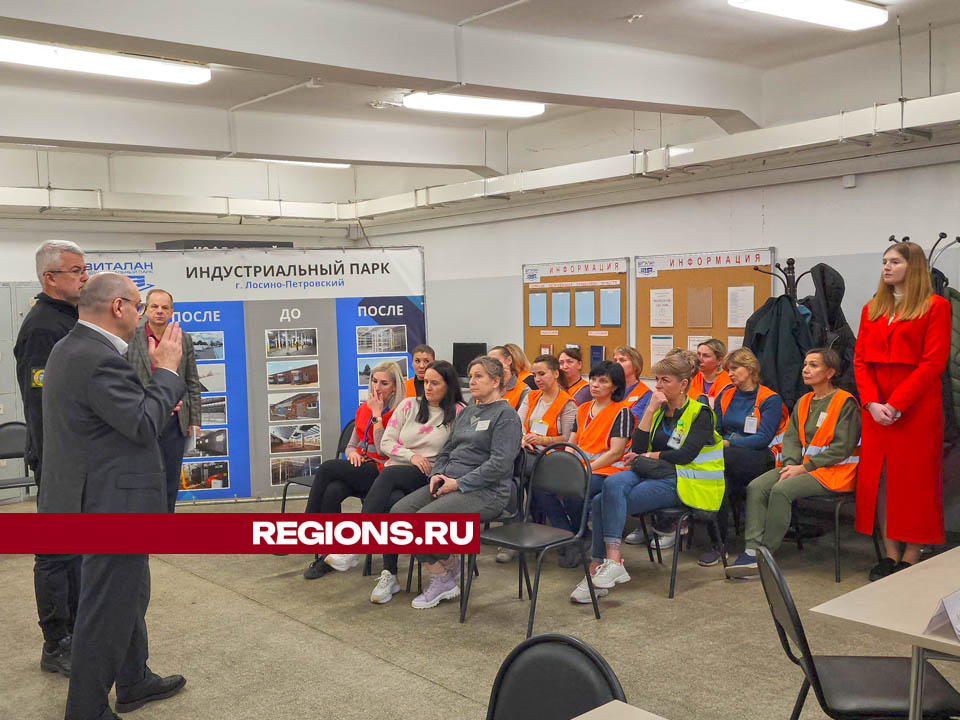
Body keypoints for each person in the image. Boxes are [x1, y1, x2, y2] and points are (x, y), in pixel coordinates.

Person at [39, 272, 187, 720]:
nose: (144, 316)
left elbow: (113, 417)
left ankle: (134, 678)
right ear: (119, 308)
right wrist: (165, 375)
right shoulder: (96, 356)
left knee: (129, 594)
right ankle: (85, 709)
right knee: (106, 609)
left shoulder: (74, 347)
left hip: (94, 495)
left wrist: (155, 393)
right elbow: (143, 423)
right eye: (140, 307)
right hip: (110, 503)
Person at [571, 350, 724, 603]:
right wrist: (650, 410)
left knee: (602, 502)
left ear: (683, 384)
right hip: (650, 472)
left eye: (665, 380)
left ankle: (600, 567)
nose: (658, 386)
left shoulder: (700, 412)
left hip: (685, 480)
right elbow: (639, 447)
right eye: (657, 380)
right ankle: (607, 563)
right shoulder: (658, 410)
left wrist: (652, 456)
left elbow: (682, 455)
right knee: (607, 488)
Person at [324, 361, 465, 603]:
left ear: (448, 385)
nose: (427, 388)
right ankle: (390, 575)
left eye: (434, 383)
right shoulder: (410, 405)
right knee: (392, 501)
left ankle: (356, 544)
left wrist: (422, 461)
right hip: (402, 468)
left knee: (387, 475)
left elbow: (456, 451)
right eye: (425, 382)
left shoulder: (459, 411)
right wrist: (412, 455)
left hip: (429, 473)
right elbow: (386, 443)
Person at [390, 355, 522, 609]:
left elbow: (500, 465)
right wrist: (437, 474)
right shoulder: (469, 410)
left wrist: (459, 484)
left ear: (496, 381)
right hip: (450, 481)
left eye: (478, 376)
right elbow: (448, 450)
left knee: (419, 522)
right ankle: (448, 564)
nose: (471, 381)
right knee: (398, 514)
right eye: (470, 376)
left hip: (488, 492)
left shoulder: (505, 416)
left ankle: (441, 578)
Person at [854, 241, 950, 581]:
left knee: (915, 481)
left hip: (917, 408)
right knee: (881, 480)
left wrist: (896, 404)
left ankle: (912, 553)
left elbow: (932, 363)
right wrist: (871, 402)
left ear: (913, 266)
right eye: (884, 261)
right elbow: (860, 361)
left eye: (894, 261)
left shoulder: (935, 307)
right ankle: (890, 554)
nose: (887, 267)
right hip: (876, 408)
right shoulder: (872, 309)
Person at [13, 239, 87, 677]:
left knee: (78, 552)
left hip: (80, 458)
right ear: (50, 278)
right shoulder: (43, 326)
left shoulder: (70, 317)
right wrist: (57, 464)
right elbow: (41, 405)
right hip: (60, 460)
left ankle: (77, 630)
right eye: (75, 270)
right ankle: (56, 642)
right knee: (57, 553)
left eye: (84, 268)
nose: (83, 276)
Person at [727, 348, 861, 577]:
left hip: (835, 472)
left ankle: (765, 555)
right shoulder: (804, 400)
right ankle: (751, 550)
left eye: (813, 365)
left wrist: (803, 468)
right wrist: (791, 464)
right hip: (802, 468)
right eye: (805, 365)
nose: (805, 370)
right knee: (757, 486)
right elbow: (791, 438)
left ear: (830, 372)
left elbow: (842, 448)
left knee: (781, 491)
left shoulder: (845, 402)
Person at [302, 360, 405, 578]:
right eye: (374, 381)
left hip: (384, 471)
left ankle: (306, 526)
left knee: (328, 468)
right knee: (332, 491)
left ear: (395, 386)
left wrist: (378, 416)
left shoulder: (401, 412)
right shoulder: (363, 409)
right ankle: (329, 555)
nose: (376, 388)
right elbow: (350, 446)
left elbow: (384, 450)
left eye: (384, 383)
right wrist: (353, 454)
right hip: (363, 467)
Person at [704, 347, 787, 565]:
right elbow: (716, 428)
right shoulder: (726, 394)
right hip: (728, 457)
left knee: (717, 461)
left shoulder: (770, 399)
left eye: (734, 368)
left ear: (750, 369)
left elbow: (763, 438)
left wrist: (730, 442)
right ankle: (719, 543)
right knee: (719, 480)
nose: (730, 374)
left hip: (760, 456)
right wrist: (723, 442)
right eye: (727, 370)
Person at [125, 289, 201, 512]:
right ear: (146, 309)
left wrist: (195, 419)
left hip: (176, 421)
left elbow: (192, 380)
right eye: (154, 306)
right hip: (143, 418)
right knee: (144, 474)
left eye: (164, 307)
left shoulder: (182, 339)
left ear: (172, 312)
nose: (159, 311)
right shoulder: (131, 337)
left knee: (170, 475)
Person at [539, 361, 632, 540]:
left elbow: (616, 453)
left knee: (573, 490)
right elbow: (571, 444)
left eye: (603, 381)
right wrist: (565, 466)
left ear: (615, 386)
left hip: (607, 469)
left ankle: (577, 537)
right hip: (581, 466)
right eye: (593, 379)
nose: (595, 385)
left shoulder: (622, 412)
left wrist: (585, 469)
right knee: (542, 487)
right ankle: (567, 534)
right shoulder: (582, 409)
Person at [504, 355, 576, 565]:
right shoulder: (532, 397)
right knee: (527, 482)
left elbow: (568, 438)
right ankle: (561, 536)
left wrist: (543, 439)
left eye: (542, 374)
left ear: (555, 374)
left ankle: (556, 535)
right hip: (529, 452)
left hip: (555, 456)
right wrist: (524, 439)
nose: (537, 379)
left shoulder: (567, 403)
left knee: (529, 480)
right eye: (535, 374)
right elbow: (519, 424)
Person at [688, 339, 733, 406]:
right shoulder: (691, 376)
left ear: (719, 360)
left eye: (706, 356)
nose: (700, 359)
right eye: (698, 354)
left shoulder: (729, 382)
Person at [488, 345, 530, 410]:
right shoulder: (485, 387)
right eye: (488, 362)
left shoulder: (524, 388)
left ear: (509, 360)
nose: (491, 365)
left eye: (495, 361)